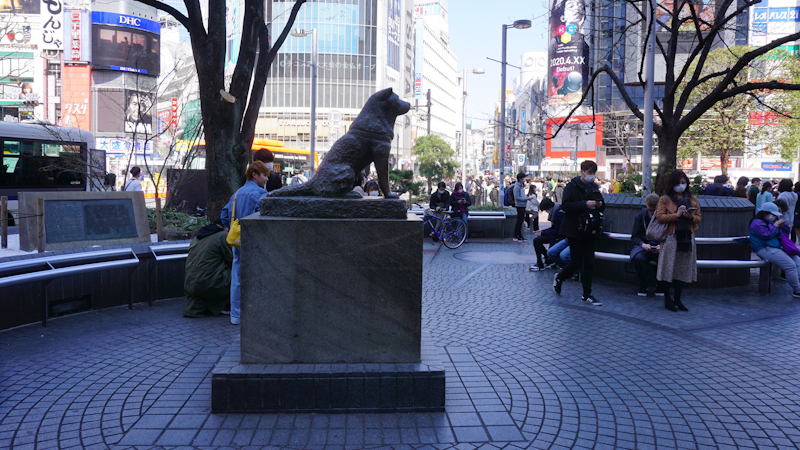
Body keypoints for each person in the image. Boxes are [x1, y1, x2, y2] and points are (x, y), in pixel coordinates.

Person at [220, 161, 270, 325]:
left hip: (237, 240)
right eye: (264, 175)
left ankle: (236, 315)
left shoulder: (237, 194)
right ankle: (254, 314)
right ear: (254, 175)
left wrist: (231, 227)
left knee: (237, 278)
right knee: (257, 277)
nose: (266, 179)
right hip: (255, 242)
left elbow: (224, 215)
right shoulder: (261, 194)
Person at [552, 160, 605, 305]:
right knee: (576, 261)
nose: (591, 175)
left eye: (593, 173)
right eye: (589, 173)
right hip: (574, 229)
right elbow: (566, 206)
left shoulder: (594, 186)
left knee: (589, 262)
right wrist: (584, 204)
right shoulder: (572, 186)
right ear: (582, 172)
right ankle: (560, 277)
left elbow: (601, 205)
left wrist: (599, 204)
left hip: (590, 229)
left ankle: (587, 294)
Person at [655, 170, 701, 312]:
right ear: (672, 184)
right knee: (667, 268)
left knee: (683, 268)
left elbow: (699, 218)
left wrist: (691, 217)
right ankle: (667, 299)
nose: (681, 185)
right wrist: (677, 215)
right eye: (678, 183)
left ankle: (678, 299)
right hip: (671, 237)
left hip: (687, 237)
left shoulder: (692, 198)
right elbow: (660, 217)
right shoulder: (665, 199)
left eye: (683, 182)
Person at [183, 219, 233, 318]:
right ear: (226, 226)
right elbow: (232, 260)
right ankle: (228, 306)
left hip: (189, 283)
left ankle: (204, 306)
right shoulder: (223, 235)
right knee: (239, 274)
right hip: (208, 283)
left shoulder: (199, 236)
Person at [750, 202, 800, 298]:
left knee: (797, 261)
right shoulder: (757, 223)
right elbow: (766, 235)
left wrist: (783, 226)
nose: (774, 217)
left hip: (775, 247)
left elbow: (783, 235)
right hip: (764, 248)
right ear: (765, 213)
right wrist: (775, 226)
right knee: (790, 265)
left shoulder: (768, 222)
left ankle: (797, 284)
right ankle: (797, 290)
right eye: (773, 214)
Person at [631, 194, 663, 297]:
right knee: (638, 258)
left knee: (665, 258)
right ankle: (643, 285)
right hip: (644, 247)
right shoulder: (640, 217)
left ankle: (660, 286)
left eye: (655, 210)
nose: (652, 212)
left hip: (659, 247)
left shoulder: (664, 217)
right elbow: (635, 236)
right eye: (650, 210)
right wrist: (642, 244)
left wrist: (662, 246)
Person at [531, 198, 563, 271]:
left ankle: (544, 261)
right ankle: (546, 259)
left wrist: (543, 233)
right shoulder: (556, 210)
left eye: (546, 210)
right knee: (537, 240)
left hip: (558, 237)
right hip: (555, 235)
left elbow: (557, 230)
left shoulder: (558, 213)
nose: (547, 212)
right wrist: (542, 231)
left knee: (537, 241)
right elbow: (554, 228)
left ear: (549, 207)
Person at [513, 173, 528, 242]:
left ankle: (519, 235)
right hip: (519, 205)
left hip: (523, 205)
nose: (525, 179)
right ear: (520, 179)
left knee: (521, 220)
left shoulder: (521, 186)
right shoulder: (517, 187)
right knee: (519, 221)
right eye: (524, 178)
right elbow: (516, 197)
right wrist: (525, 199)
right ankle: (517, 235)